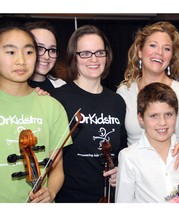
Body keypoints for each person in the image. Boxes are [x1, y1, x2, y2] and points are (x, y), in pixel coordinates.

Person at [116, 21, 179, 174]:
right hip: (137, 174)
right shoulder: (125, 92)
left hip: (172, 174)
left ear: (171, 57)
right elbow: (118, 142)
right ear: (139, 51)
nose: (159, 53)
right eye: (153, 45)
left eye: (167, 48)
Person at [52, 25, 127, 203]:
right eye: (85, 53)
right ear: (74, 58)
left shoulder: (117, 101)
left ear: (106, 56)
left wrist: (120, 169)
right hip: (71, 200)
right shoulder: (58, 100)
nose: (93, 59)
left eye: (99, 52)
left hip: (110, 198)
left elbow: (123, 150)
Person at [0, 22, 72, 203]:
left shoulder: (52, 106)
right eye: (10, 52)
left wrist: (51, 192)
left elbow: (56, 168)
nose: (21, 60)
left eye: (29, 52)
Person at [116, 82, 179, 202]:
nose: (162, 122)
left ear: (176, 115)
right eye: (154, 116)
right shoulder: (129, 157)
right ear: (141, 118)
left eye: (168, 114)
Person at [25, 20, 66, 93]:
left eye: (52, 50)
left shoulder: (62, 86)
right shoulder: (9, 88)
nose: (46, 57)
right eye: (39, 48)